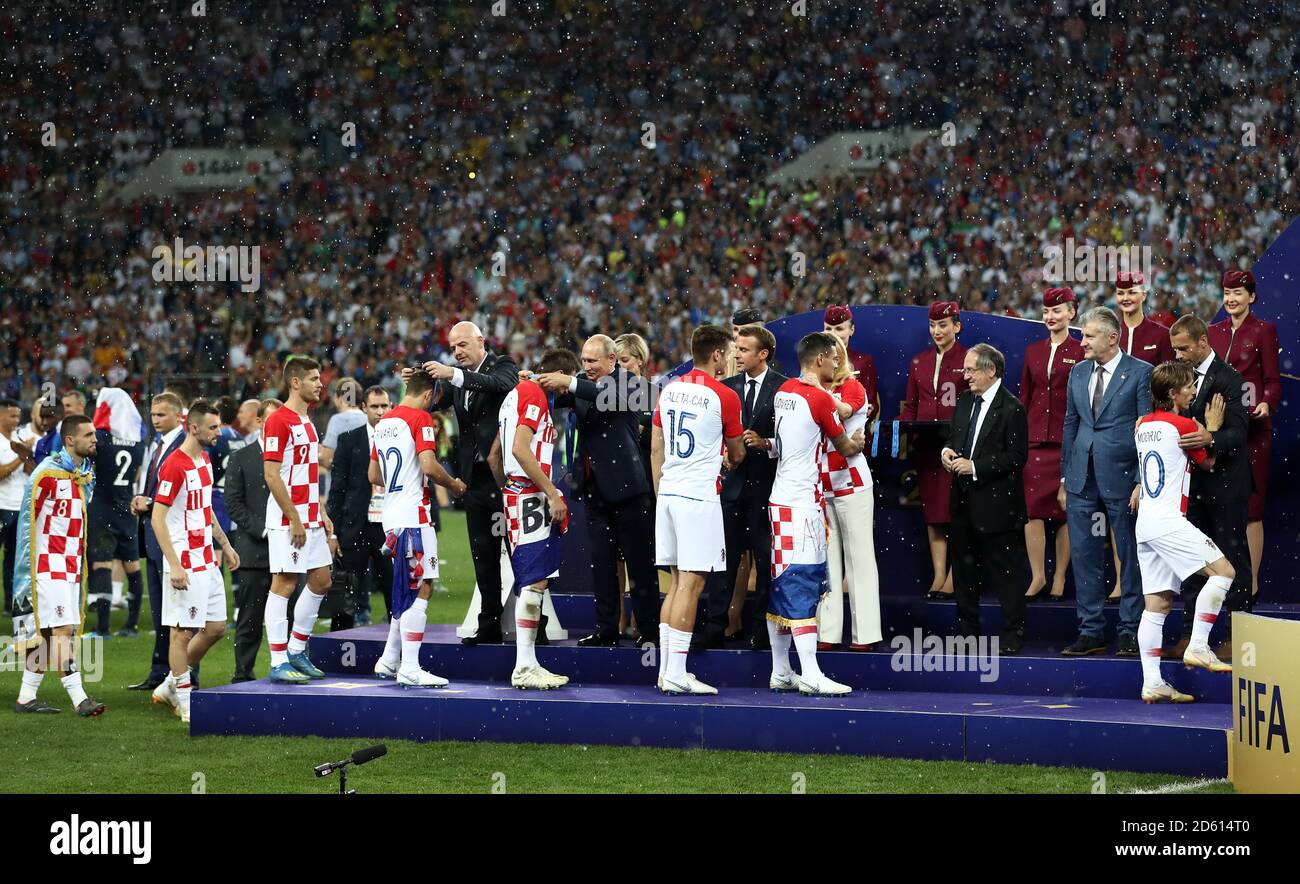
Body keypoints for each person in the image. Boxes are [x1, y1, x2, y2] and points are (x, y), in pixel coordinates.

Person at [537, 334, 660, 648]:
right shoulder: (582, 383)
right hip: (594, 489)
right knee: (602, 563)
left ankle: (650, 630)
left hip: (629, 489)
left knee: (640, 565)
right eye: (584, 361)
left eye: (593, 361)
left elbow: (600, 393)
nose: (587, 367)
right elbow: (562, 394)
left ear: (612, 360)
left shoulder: (630, 385)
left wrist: (570, 381)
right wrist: (536, 382)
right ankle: (607, 629)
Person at [766, 332, 865, 695]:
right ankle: (809, 673)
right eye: (834, 358)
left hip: (780, 499)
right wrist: (860, 441)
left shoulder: (784, 391)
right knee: (804, 583)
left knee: (782, 584)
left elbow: (788, 442)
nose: (838, 364)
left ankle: (780, 671)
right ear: (821, 359)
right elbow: (845, 445)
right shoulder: (820, 399)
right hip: (802, 503)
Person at [651, 325, 745, 694]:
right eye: (731, 350)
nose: (735, 356)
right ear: (717, 355)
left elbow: (656, 448)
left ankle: (667, 670)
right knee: (692, 584)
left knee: (676, 583)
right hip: (697, 498)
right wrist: (726, 458)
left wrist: (662, 490)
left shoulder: (670, 389)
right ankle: (676, 673)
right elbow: (737, 453)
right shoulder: (725, 395)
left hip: (669, 494)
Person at [1133, 360, 1233, 704]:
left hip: (1145, 522)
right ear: (1173, 393)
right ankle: (1200, 645)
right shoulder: (1185, 424)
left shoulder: (1140, 424)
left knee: (1157, 605)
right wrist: (1213, 427)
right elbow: (1207, 462)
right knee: (1224, 572)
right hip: (1167, 520)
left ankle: (1152, 682)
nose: (1194, 390)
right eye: (1189, 386)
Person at [1060, 307, 1153, 657]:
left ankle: (1129, 630)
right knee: (1084, 555)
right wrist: (1065, 476)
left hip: (1125, 476)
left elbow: (1147, 428)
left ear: (1112, 338)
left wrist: (1144, 481)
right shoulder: (1078, 372)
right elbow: (1071, 424)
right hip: (1082, 478)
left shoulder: (1141, 373)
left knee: (1130, 555)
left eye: (1088, 336)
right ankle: (1091, 630)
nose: (1081, 342)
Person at [420, 321, 520, 645]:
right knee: (483, 554)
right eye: (452, 348)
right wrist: (419, 381)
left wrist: (452, 374)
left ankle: (536, 626)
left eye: (462, 345)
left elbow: (497, 385)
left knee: (518, 553)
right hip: (474, 481)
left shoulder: (503, 365)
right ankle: (488, 625)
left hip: (504, 479)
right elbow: (431, 401)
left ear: (480, 341)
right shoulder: (457, 379)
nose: (457, 353)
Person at [368, 369, 467, 687]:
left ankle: (388, 658)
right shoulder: (420, 419)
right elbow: (427, 464)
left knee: (405, 586)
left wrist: (400, 482)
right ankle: (410, 667)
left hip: (392, 515)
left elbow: (374, 475)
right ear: (428, 394)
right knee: (421, 586)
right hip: (414, 516)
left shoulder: (384, 423)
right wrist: (453, 484)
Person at [1165, 314, 1251, 662]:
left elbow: (1239, 433)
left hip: (1227, 486)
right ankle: (1189, 634)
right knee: (1192, 561)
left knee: (1233, 559)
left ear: (1203, 341)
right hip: (1192, 485)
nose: (1179, 355)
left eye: (1184, 348)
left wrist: (1209, 437)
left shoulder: (1231, 379)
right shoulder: (1178, 378)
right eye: (1175, 349)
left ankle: (1235, 633)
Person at [148, 400, 241, 723]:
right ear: (194, 428)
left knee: (215, 628)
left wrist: (225, 544)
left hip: (206, 559)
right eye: (213, 427)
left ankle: (171, 683)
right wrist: (174, 564)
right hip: (184, 561)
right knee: (181, 633)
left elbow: (205, 509)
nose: (219, 432)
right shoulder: (174, 464)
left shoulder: (203, 460)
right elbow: (157, 518)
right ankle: (185, 700)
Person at [489, 349, 576, 689]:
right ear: (558, 372)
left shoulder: (515, 394)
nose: (569, 388)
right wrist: (551, 493)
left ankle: (528, 663)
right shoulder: (535, 394)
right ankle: (524, 665)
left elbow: (495, 456)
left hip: (517, 491)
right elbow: (519, 450)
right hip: (530, 493)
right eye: (568, 378)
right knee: (536, 580)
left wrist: (508, 488)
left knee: (533, 578)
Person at [11, 414, 105, 715]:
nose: (94, 439)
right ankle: (80, 699)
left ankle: (26, 698)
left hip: (70, 565)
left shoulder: (82, 471)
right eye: (88, 435)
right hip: (47, 565)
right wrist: (29, 569)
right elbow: (27, 523)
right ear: (69, 440)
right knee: (63, 629)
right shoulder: (47, 475)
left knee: (51, 634)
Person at [700, 324, 786, 650]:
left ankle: (763, 631)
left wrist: (766, 443)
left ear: (763, 354)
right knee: (724, 562)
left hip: (766, 490)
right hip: (731, 489)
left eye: (744, 349)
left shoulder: (784, 389)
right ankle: (715, 626)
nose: (737, 354)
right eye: (736, 348)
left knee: (766, 562)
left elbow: (793, 442)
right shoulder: (728, 388)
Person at [941, 344, 1030, 652]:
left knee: (1006, 574)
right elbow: (954, 437)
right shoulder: (965, 401)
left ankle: (1011, 635)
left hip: (998, 505)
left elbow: (1018, 456)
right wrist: (947, 452)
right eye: (964, 370)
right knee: (964, 573)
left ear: (991, 370)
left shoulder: (1012, 407)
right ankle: (967, 635)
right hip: (963, 502)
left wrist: (976, 466)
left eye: (970, 370)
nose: (965, 377)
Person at [261, 357, 339, 684]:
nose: (320, 384)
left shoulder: (306, 420)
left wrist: (321, 512)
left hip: (309, 513)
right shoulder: (279, 420)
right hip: (287, 517)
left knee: (321, 580)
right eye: (313, 378)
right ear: (295, 382)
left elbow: (307, 473)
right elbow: (271, 474)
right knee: (285, 584)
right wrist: (294, 517)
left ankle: (296, 649)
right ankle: (278, 660)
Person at [1208, 269, 1280, 600]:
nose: (1231, 298)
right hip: (1219, 431)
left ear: (1251, 296)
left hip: (1254, 431)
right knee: (1217, 508)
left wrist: (1266, 403)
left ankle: (1250, 585)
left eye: (1238, 292)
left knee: (1252, 509)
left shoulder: (1264, 331)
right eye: (1227, 292)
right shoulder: (1214, 332)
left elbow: (1273, 380)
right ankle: (1222, 582)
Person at [1018, 287, 1084, 601]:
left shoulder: (1082, 350)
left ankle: (1059, 577)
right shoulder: (1032, 351)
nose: (1050, 317)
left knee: (1064, 511)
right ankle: (1037, 576)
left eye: (1057, 311)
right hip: (1034, 441)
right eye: (1046, 311)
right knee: (1032, 511)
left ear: (1072, 313)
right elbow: (1025, 397)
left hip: (1066, 441)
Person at [900, 301, 968, 599]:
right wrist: (904, 429)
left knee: (956, 513)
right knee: (934, 514)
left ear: (957, 326)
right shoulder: (919, 361)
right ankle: (939, 573)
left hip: (957, 449)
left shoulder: (968, 358)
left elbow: (971, 404)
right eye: (933, 325)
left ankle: (956, 574)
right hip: (927, 448)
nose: (937, 331)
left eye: (943, 325)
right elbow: (911, 405)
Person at [816, 337, 880, 651]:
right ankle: (827, 632)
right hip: (821, 484)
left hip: (852, 482)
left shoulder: (852, 386)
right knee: (827, 564)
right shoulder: (812, 390)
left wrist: (813, 395)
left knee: (860, 559)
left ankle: (865, 634)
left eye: (829, 357)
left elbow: (842, 412)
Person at [125, 393, 188, 689]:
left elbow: (179, 496)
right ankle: (159, 672)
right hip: (153, 536)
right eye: (153, 414)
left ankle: (185, 676)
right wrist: (142, 499)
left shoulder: (185, 446)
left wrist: (148, 503)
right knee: (161, 610)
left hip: (172, 538)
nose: (155, 419)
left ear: (179, 415)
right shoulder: (157, 446)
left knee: (179, 611)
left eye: (162, 415)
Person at [327, 385, 395, 629]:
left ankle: (397, 649)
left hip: (389, 527)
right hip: (354, 525)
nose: (380, 411)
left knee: (393, 591)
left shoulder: (401, 436)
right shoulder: (348, 439)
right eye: (374, 406)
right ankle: (338, 643)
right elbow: (337, 488)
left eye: (384, 406)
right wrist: (333, 532)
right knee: (345, 592)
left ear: (391, 407)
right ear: (364, 408)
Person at [225, 398, 280, 682]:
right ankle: (242, 675)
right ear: (259, 422)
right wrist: (266, 529)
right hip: (255, 552)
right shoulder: (241, 457)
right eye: (272, 420)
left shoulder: (292, 456)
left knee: (290, 620)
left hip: (289, 553)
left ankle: (286, 670)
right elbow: (232, 504)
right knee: (250, 620)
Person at [85, 388, 146, 638]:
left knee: (102, 564)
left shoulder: (100, 438)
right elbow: (138, 473)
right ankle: (131, 625)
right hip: (126, 507)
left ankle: (102, 628)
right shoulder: (137, 442)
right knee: (132, 565)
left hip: (102, 506)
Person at [613, 332, 653, 641]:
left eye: (624, 360)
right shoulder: (606, 393)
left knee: (643, 557)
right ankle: (618, 618)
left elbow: (663, 443)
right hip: (614, 485)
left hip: (647, 485)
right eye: (616, 361)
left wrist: (640, 434)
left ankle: (643, 618)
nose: (620, 367)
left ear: (640, 360)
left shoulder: (655, 394)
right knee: (616, 557)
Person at [822, 304, 881, 427]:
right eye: (828, 329)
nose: (832, 334)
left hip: (853, 433)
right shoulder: (816, 361)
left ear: (852, 330)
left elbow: (872, 405)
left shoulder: (864, 362)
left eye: (839, 329)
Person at [1115, 271, 1175, 365]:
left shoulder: (1163, 335)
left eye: (1132, 292)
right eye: (1120, 293)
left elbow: (1170, 377)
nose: (1125, 298)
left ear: (1143, 295)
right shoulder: (1110, 336)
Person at [0, 399, 25, 614]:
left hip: (20, 508)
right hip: (2, 506)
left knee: (14, 560)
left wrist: (30, 459)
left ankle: (10, 603)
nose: (17, 420)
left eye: (18, 416)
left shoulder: (18, 439)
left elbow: (26, 471)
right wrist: (22, 457)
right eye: (12, 416)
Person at [319, 378, 366, 473]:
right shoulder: (368, 418)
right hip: (365, 484)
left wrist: (319, 454)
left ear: (340, 398)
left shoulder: (337, 420)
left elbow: (326, 460)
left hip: (341, 484)